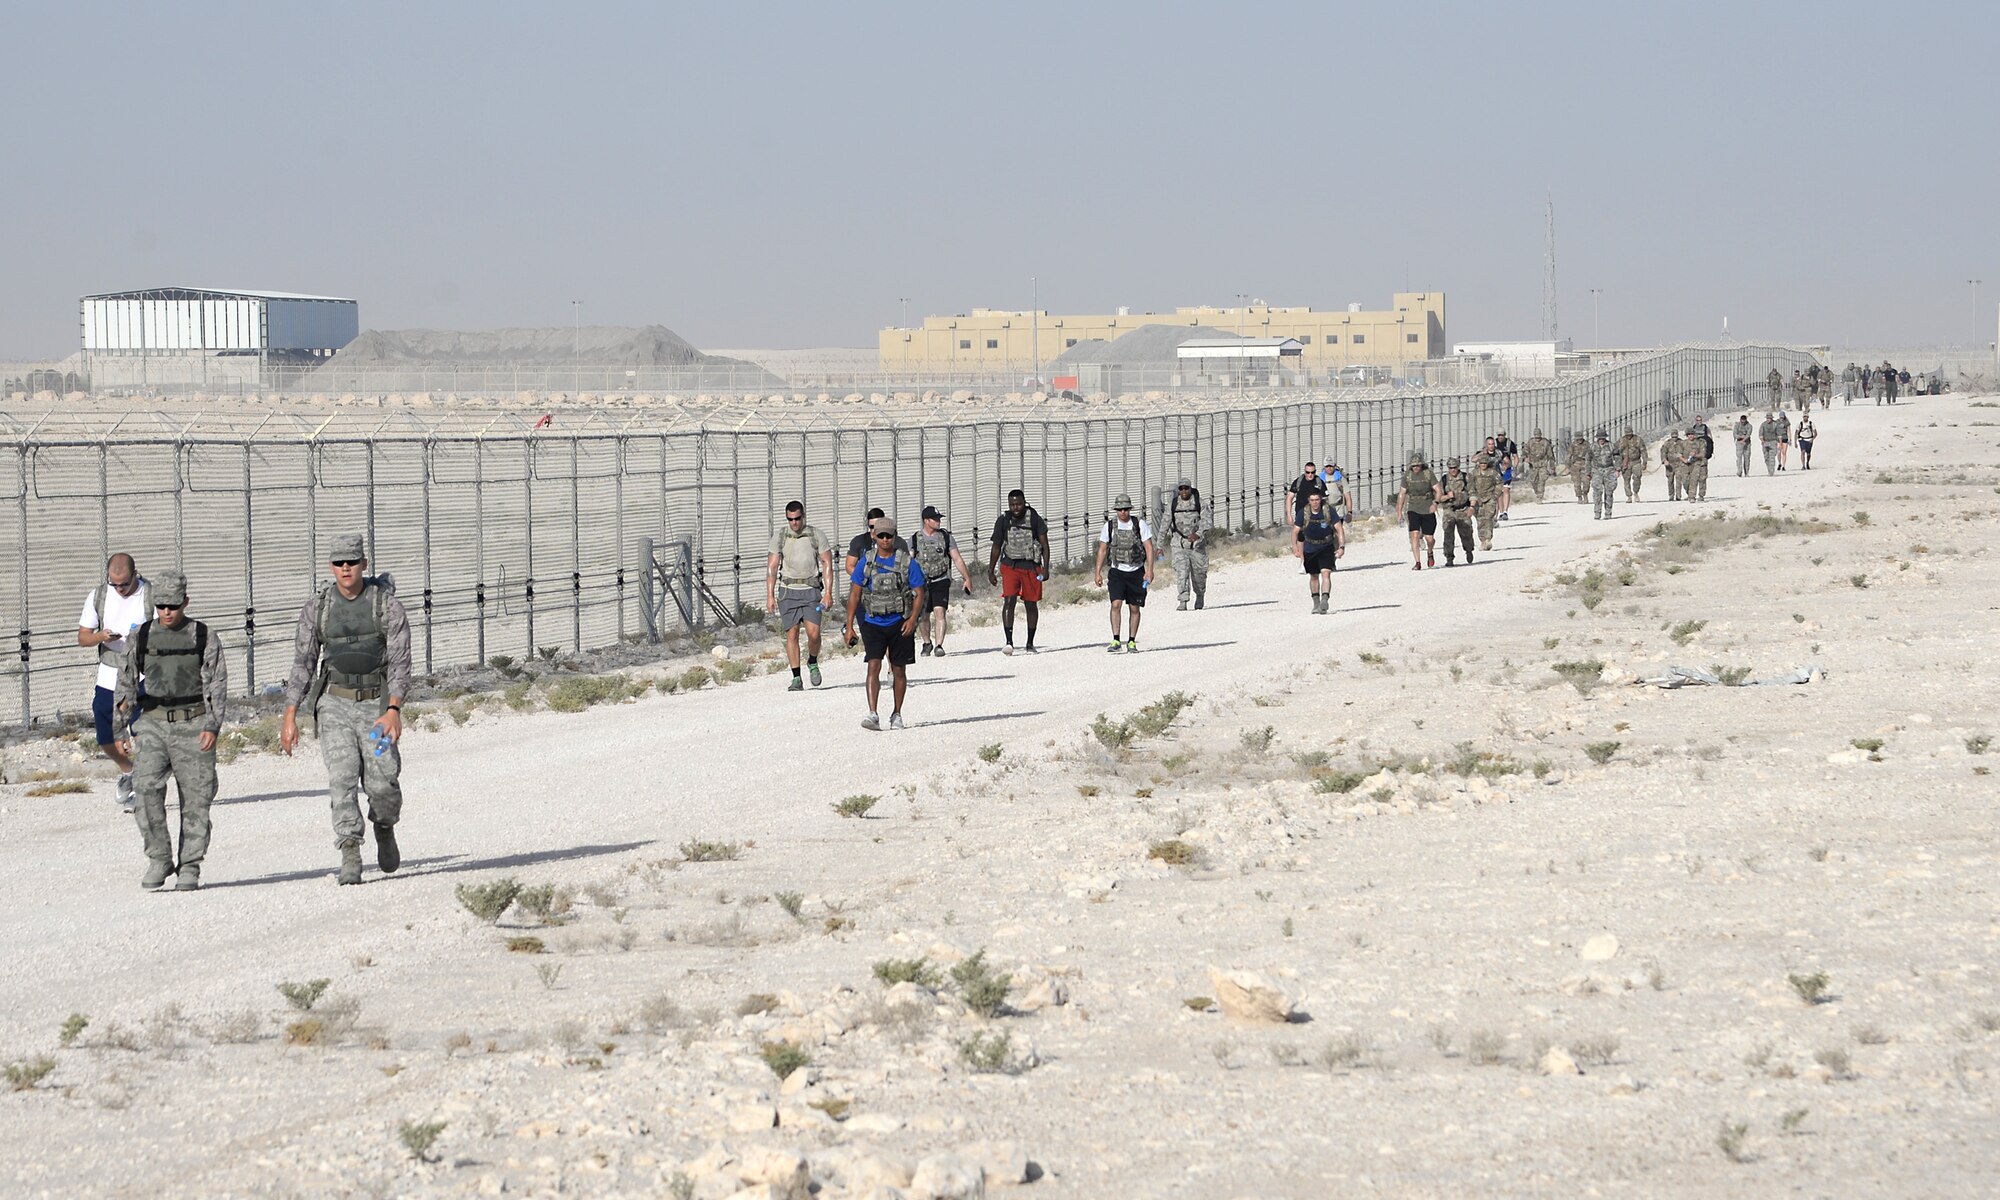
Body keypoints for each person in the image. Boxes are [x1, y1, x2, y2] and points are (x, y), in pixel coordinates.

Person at [279, 533, 413, 886]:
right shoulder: (318, 608)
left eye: (351, 562)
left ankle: (384, 825)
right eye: (338, 563)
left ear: (364, 565)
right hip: (334, 702)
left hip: (377, 707)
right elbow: (303, 662)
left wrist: (394, 709)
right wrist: (290, 714)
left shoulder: (385, 605)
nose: (345, 569)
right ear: (331, 567)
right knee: (342, 778)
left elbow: (400, 663)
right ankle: (350, 850)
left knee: (383, 780)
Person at [112, 570, 225, 892]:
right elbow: (126, 683)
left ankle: (190, 865)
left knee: (196, 800)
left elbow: (217, 683)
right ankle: (159, 858)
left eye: (173, 606)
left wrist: (212, 725)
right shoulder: (142, 636)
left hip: (194, 725)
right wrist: (120, 731)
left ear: (185, 603)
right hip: (154, 723)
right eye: (161, 606)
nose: (166, 612)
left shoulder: (202, 635)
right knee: (146, 789)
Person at [78, 553, 150, 812]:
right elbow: (83, 637)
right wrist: (100, 636)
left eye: (124, 584)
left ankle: (144, 790)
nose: (119, 589)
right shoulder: (98, 597)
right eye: (114, 584)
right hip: (110, 674)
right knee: (106, 737)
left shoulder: (149, 596)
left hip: (144, 674)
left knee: (143, 731)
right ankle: (127, 771)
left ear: (135, 575)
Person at [843, 520, 925, 730]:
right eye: (881, 536)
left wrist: (912, 619)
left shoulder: (906, 563)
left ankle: (897, 714)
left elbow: (919, 593)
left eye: (889, 536)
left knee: (898, 669)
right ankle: (873, 713)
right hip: (873, 621)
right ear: (875, 537)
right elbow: (855, 594)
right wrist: (850, 625)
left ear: (895, 536)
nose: (885, 540)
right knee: (873, 665)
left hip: (899, 622)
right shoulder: (866, 562)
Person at [765, 500, 833, 690]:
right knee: (792, 633)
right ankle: (796, 677)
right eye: (790, 519)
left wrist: (828, 593)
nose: (794, 523)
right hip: (788, 592)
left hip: (811, 592)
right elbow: (771, 567)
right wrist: (770, 595)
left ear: (803, 516)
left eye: (797, 519)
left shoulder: (815, 535)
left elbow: (827, 564)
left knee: (814, 633)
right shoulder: (780, 537)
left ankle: (812, 661)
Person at [987, 489, 1050, 655]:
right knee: (1009, 601)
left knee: (1031, 603)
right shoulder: (1003, 520)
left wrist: (1046, 568)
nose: (1016, 507)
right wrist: (991, 569)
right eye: (1012, 504)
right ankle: (1009, 641)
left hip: (1031, 566)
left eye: (1019, 504)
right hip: (1010, 566)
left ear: (1024, 502)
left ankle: (1030, 643)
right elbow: (996, 546)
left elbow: (1044, 545)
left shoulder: (1034, 518)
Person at [1093, 494, 1155, 652]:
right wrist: (1098, 572)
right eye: (1120, 509)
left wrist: (1150, 570)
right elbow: (1102, 549)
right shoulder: (1110, 526)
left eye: (1126, 509)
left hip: (1136, 572)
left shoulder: (1139, 524)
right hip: (1117, 571)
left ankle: (1132, 640)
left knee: (1134, 608)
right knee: (1116, 604)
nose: (1123, 512)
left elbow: (1148, 547)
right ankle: (1116, 639)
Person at [912, 505, 973, 656]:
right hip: (922, 583)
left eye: (939, 518)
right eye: (935, 519)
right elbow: (909, 562)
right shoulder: (915, 539)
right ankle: (927, 643)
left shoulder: (946, 537)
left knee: (940, 613)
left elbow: (957, 558)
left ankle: (939, 645)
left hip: (941, 579)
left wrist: (967, 578)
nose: (939, 522)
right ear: (926, 521)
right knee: (924, 616)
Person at [1162, 477, 1209, 610]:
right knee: (1182, 572)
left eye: (1186, 488)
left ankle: (1200, 596)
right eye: (1181, 488)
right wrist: (1158, 545)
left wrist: (1198, 534)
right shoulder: (1173, 504)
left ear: (1190, 489)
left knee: (1199, 574)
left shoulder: (1200, 503)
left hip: (1197, 546)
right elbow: (1165, 524)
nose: (1183, 491)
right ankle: (1183, 600)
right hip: (1179, 543)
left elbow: (1207, 522)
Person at [1296, 490, 1344, 608]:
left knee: (1326, 573)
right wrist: (1295, 548)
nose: (1315, 503)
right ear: (1309, 501)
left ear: (1321, 499)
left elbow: (1339, 529)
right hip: (1310, 548)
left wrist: (1342, 546)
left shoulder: (1328, 511)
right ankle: (1316, 602)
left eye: (1317, 500)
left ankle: (1325, 599)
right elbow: (1295, 531)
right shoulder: (1304, 513)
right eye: (1312, 500)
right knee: (1313, 576)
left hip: (1326, 546)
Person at [1396, 451, 1441, 570]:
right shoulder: (1408, 476)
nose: (1416, 468)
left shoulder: (1428, 474)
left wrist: (1435, 503)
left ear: (1421, 465)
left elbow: (1438, 489)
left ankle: (1430, 551)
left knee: (1429, 538)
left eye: (1418, 465)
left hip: (1427, 507)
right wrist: (1399, 512)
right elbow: (1402, 494)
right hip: (1413, 507)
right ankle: (1418, 562)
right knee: (1414, 535)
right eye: (1413, 466)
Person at [845, 507, 908, 576]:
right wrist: (865, 578)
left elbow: (908, 565)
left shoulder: (898, 542)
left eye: (877, 526)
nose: (874, 529)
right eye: (871, 526)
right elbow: (849, 566)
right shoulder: (859, 541)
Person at [1437, 457, 1475, 567]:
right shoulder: (1444, 480)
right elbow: (1438, 498)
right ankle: (1449, 557)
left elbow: (1472, 492)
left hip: (1463, 509)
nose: (1453, 470)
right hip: (1449, 510)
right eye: (1451, 468)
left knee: (1466, 532)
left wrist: (1471, 507)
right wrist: (1447, 496)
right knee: (1448, 533)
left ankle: (1468, 550)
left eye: (1455, 467)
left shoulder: (1465, 477)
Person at [1470, 453, 1504, 548]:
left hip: (1490, 498)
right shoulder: (1474, 473)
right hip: (1478, 500)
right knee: (1480, 520)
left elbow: (1499, 484)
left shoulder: (1493, 473)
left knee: (1488, 518)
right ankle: (1482, 540)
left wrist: (1495, 496)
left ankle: (1488, 539)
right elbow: (1470, 486)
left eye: (1485, 463)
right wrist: (1473, 497)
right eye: (1481, 463)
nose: (1483, 465)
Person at [1286, 460, 1327, 539]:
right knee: (1300, 537)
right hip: (1301, 514)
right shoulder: (1298, 482)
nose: (1310, 475)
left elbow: (1325, 500)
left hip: (1316, 515)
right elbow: (1289, 498)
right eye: (1308, 472)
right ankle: (1299, 551)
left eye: (1312, 472)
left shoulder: (1320, 483)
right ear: (1305, 472)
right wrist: (1289, 515)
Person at [1590, 430, 1619, 520]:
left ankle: (1608, 512)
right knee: (1597, 492)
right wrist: (1588, 472)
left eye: (1603, 438)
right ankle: (1597, 512)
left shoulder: (1611, 446)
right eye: (1599, 438)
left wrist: (1618, 469)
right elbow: (1588, 459)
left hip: (1609, 470)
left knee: (1609, 492)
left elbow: (1617, 457)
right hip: (1597, 470)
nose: (1601, 440)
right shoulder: (1592, 447)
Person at [1523, 429, 1557, 501]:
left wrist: (1552, 466)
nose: (1537, 438)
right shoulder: (1530, 442)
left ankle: (1540, 497)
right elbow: (1525, 451)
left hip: (1543, 464)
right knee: (1533, 481)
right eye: (1536, 437)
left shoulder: (1545, 442)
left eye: (1538, 437)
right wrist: (1525, 458)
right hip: (1533, 465)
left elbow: (1550, 455)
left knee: (1542, 480)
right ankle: (1537, 492)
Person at [1616, 428, 1646, 501]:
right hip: (1625, 462)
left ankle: (1636, 492)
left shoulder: (1638, 440)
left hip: (1636, 461)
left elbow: (1643, 451)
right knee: (1626, 480)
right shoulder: (1621, 440)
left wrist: (1644, 462)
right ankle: (1629, 496)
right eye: (1627, 434)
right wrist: (1618, 465)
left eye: (1630, 434)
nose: (1629, 435)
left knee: (1637, 477)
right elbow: (1616, 453)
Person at [1684, 423, 1711, 500]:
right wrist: (1683, 459)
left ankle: (1700, 495)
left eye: (1692, 434)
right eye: (1688, 434)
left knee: (1701, 479)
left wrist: (1695, 455)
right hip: (1688, 464)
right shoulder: (1684, 443)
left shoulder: (1701, 442)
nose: (1690, 436)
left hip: (1700, 463)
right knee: (1688, 480)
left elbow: (1703, 454)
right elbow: (1679, 453)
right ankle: (1690, 495)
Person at [1661, 430, 1688, 502]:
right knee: (1670, 480)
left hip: (1679, 464)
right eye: (1673, 437)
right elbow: (1663, 452)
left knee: (1679, 480)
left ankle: (1678, 496)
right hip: (1670, 464)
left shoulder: (1681, 443)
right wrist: (1664, 460)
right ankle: (1671, 495)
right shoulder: (1667, 443)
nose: (1674, 438)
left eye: (1676, 437)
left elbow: (1686, 451)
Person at [1566, 435, 1591, 502]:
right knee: (1577, 483)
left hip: (1585, 465)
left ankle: (1585, 494)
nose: (1579, 440)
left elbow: (1591, 454)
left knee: (1586, 482)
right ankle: (1579, 497)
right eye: (1578, 439)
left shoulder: (1587, 444)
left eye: (1580, 439)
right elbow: (1569, 455)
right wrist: (1568, 466)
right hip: (1575, 465)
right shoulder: (1573, 445)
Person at [1758, 410, 1783, 475]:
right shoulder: (1763, 425)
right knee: (1766, 457)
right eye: (1767, 418)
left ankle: (1771, 471)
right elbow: (1760, 434)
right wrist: (1763, 441)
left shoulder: (1775, 424)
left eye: (1770, 418)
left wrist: (1780, 444)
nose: (1768, 419)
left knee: (1772, 457)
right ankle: (1769, 469)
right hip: (1765, 442)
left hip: (1773, 442)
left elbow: (1779, 435)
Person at [1733, 413, 1754, 477]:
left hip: (1747, 443)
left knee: (1747, 458)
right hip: (1739, 443)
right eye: (1742, 421)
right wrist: (1740, 437)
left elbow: (1748, 434)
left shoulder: (1749, 425)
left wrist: (1744, 439)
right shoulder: (1737, 425)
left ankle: (1746, 472)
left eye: (1744, 421)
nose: (1743, 422)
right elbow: (1735, 434)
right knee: (1739, 458)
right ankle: (1739, 471)